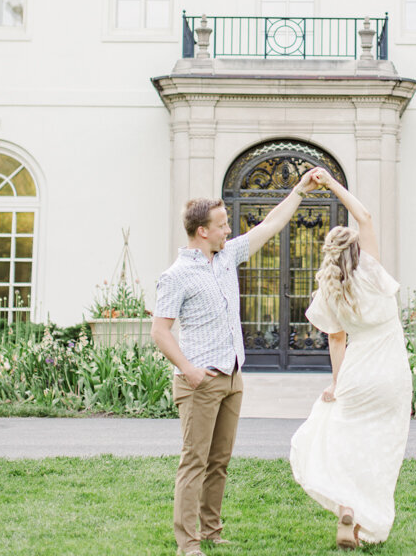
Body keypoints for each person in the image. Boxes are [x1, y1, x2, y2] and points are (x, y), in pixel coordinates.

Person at [152, 167, 319, 556]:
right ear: (201, 231)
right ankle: (187, 543)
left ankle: (211, 531)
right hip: (199, 381)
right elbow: (160, 332)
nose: (229, 230)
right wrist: (190, 371)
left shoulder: (226, 258)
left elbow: (270, 226)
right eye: (223, 225)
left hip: (231, 377)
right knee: (194, 463)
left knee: (219, 462)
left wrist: (298, 190)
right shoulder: (175, 276)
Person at [290, 168, 412, 550]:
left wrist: (336, 383)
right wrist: (332, 184)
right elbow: (365, 216)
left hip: (357, 375)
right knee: (381, 446)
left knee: (344, 442)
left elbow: (337, 341)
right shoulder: (372, 271)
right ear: (357, 249)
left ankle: (347, 510)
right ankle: (362, 520)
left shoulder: (330, 292)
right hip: (391, 374)